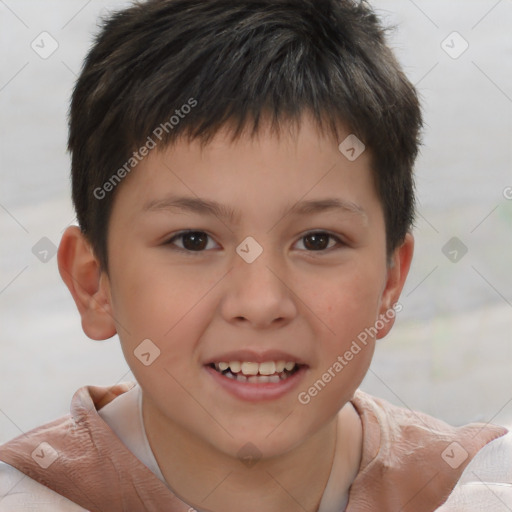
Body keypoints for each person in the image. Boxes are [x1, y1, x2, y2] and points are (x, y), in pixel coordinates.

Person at [0, 0, 510, 510]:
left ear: (390, 281)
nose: (261, 301)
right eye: (193, 240)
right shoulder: (26, 495)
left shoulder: (474, 489)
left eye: (318, 241)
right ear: (93, 283)